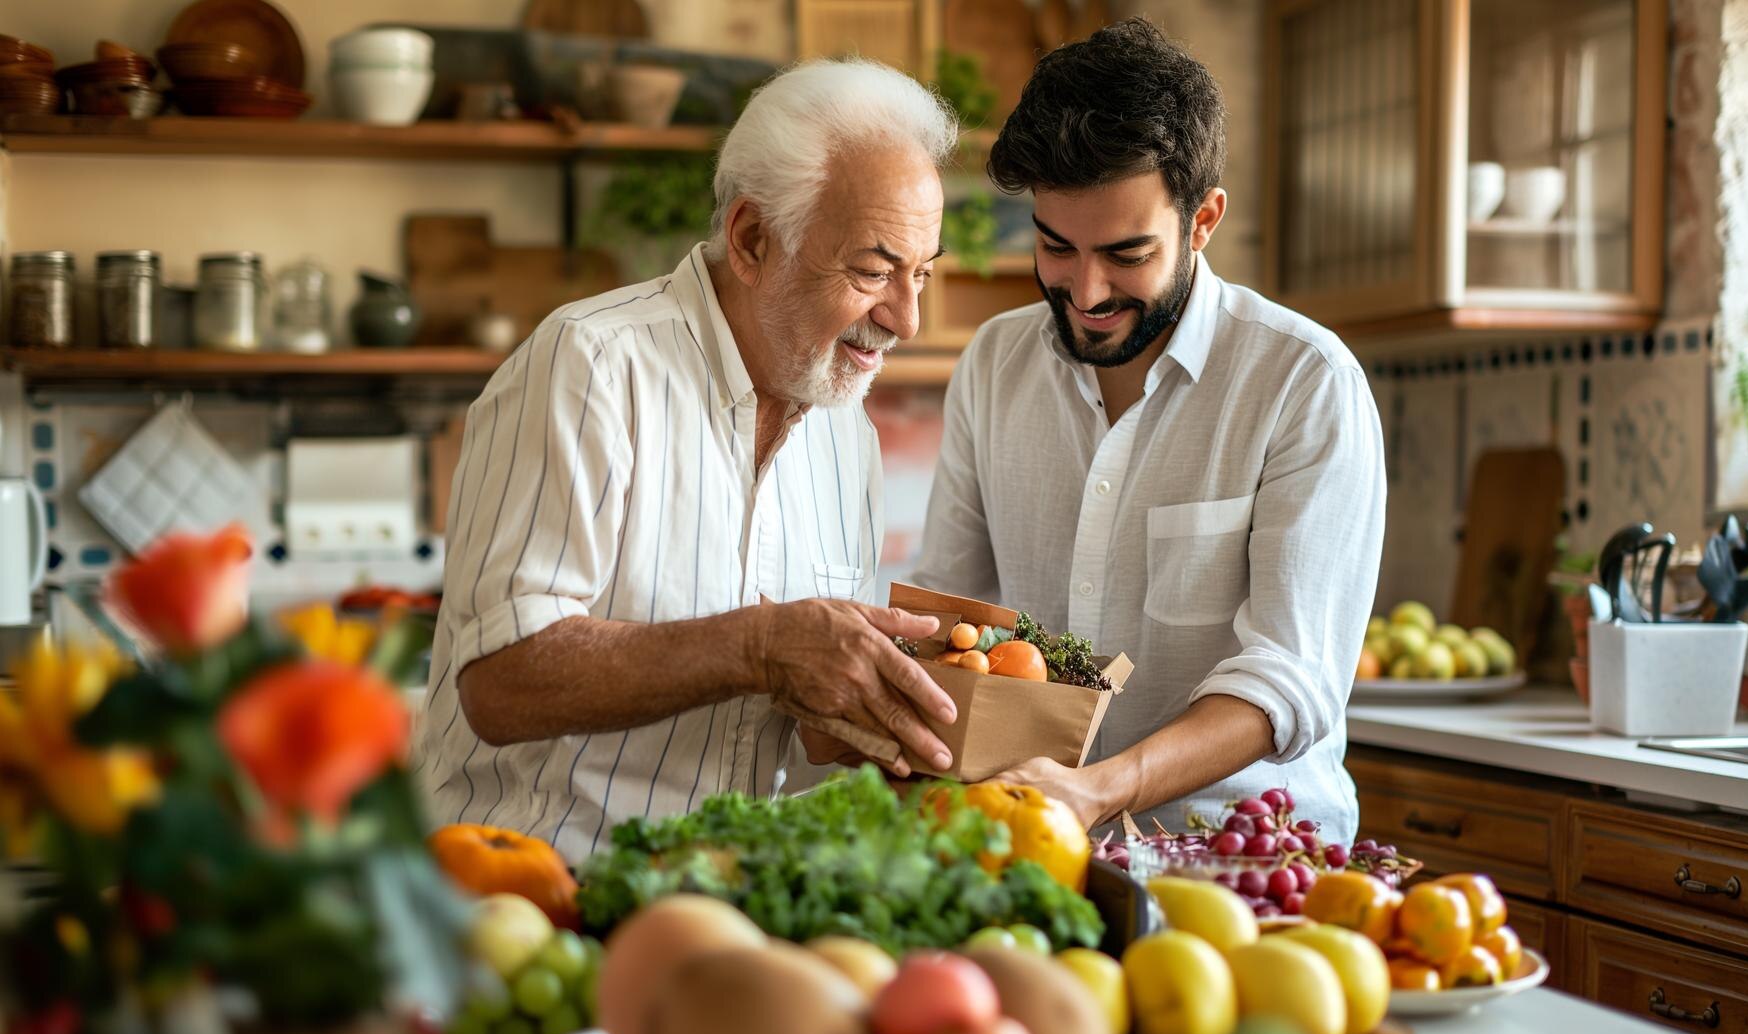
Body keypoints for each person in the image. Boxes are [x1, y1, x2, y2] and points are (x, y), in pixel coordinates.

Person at [418, 59, 964, 863]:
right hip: (530, 891)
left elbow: (808, 733)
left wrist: (892, 711)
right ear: (750, 239)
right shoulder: (591, 363)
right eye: (873, 271)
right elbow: (499, 681)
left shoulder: (847, 434)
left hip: (723, 909)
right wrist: (762, 647)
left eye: (921, 274)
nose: (906, 318)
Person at [904, 19, 1386, 841]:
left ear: (1203, 222)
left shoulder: (1303, 381)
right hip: (1030, 845)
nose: (1085, 290)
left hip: (1243, 860)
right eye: (1056, 247)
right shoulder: (994, 365)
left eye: (1126, 253)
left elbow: (1289, 676)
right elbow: (958, 620)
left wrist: (1101, 790)